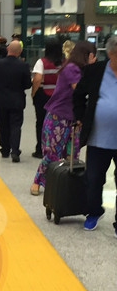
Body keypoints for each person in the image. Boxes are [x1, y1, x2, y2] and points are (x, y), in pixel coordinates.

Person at [30, 40, 97, 196]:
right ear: (88, 55)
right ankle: (37, 181)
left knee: (72, 155)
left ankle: (66, 185)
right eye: (94, 56)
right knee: (52, 153)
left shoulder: (81, 70)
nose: (95, 59)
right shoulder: (72, 68)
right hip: (58, 117)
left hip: (75, 118)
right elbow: (80, 90)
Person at [73, 35, 117, 234]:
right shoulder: (95, 71)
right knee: (93, 179)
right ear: (111, 54)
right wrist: (79, 117)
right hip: (98, 138)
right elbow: (78, 95)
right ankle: (94, 212)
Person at [0, 41, 32, 163]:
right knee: (16, 125)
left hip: (0, 99)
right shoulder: (24, 65)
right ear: (20, 51)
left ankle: (4, 149)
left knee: (2, 124)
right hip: (17, 99)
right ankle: (15, 150)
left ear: (8, 49)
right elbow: (27, 84)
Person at [30, 38, 62, 159]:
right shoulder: (64, 62)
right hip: (59, 96)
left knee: (41, 122)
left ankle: (40, 149)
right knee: (58, 123)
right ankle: (57, 148)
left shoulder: (42, 62)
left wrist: (33, 93)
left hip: (43, 96)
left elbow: (37, 79)